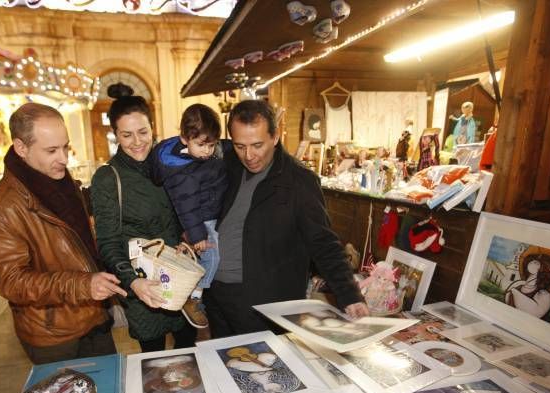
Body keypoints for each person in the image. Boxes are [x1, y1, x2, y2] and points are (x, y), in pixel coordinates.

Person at [0, 102, 126, 364]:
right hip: (55, 336)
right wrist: (82, 284)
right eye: (52, 150)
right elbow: (11, 281)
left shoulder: (60, 182)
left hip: (93, 316)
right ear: (21, 148)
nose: (64, 158)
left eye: (66, 147)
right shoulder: (1, 209)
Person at [204, 100, 367, 337]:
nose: (249, 155)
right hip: (217, 294)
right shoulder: (228, 163)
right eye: (240, 146)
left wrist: (349, 294)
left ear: (275, 137)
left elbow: (323, 242)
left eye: (257, 145)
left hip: (262, 304)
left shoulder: (299, 180)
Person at [90, 86, 196, 353]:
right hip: (142, 284)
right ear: (115, 135)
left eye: (143, 132)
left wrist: (188, 239)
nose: (137, 142)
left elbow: (183, 211)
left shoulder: (169, 165)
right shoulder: (108, 178)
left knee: (189, 351)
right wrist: (132, 282)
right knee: (155, 364)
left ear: (153, 128)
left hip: (179, 276)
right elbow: (108, 242)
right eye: (126, 135)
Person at [149, 103, 228, 329]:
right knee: (213, 257)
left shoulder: (198, 155)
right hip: (202, 219)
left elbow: (224, 149)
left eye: (211, 145)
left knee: (204, 257)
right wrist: (198, 235)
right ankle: (193, 297)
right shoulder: (181, 170)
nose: (207, 151)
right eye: (201, 145)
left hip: (210, 211)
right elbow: (186, 205)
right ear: (185, 139)